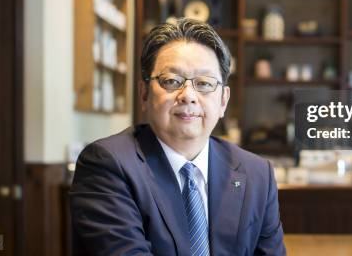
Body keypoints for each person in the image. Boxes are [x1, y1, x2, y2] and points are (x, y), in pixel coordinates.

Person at [70, 18, 286, 256]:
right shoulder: (107, 165)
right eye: (172, 81)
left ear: (223, 100)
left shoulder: (257, 173)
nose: (189, 96)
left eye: (204, 83)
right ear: (144, 94)